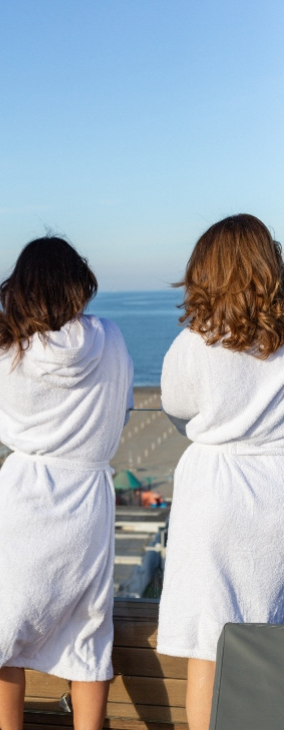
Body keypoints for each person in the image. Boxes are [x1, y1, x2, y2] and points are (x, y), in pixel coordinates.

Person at [0, 198, 133, 730]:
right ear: (77, 286)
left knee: (5, 630)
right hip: (88, 505)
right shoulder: (110, 341)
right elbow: (122, 405)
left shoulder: (3, 351)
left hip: (23, 502)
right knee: (88, 635)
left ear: (22, 288)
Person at [157, 213, 284, 730]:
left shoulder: (196, 342)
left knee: (207, 644)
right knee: (269, 632)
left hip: (213, 496)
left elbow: (174, 406)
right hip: (275, 493)